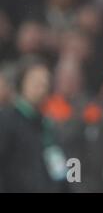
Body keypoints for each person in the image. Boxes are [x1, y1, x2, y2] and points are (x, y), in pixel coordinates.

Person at [0, 58, 68, 192]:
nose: (41, 87)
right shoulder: (6, 120)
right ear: (21, 83)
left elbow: (61, 169)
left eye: (45, 82)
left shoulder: (48, 126)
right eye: (35, 81)